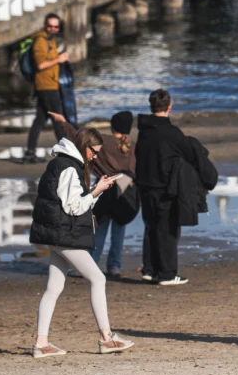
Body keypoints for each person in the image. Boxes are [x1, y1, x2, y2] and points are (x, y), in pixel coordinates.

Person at [29, 126, 134, 358]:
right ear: (84, 146)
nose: (95, 157)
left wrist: (95, 191)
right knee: (98, 278)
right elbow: (74, 207)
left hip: (55, 233)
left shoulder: (60, 163)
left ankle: (41, 343)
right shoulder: (68, 168)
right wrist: (96, 191)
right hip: (64, 234)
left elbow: (73, 203)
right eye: (94, 152)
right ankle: (106, 338)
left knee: (54, 287)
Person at [134, 88, 217, 286]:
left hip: (145, 186)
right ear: (170, 106)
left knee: (151, 228)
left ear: (151, 106)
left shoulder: (143, 131)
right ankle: (167, 274)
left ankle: (150, 270)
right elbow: (192, 154)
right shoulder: (172, 133)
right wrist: (207, 179)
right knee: (168, 230)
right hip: (164, 188)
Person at [48, 110, 137, 278]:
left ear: (113, 126)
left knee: (99, 228)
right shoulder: (132, 145)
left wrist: (63, 122)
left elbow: (78, 137)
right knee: (119, 229)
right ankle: (114, 266)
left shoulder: (104, 142)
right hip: (126, 190)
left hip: (105, 188)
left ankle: (91, 264)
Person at [26, 14, 70, 163]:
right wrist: (59, 59)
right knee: (58, 118)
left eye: (56, 27)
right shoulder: (40, 41)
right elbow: (40, 65)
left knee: (40, 119)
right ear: (45, 25)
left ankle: (29, 152)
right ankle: (66, 153)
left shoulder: (49, 40)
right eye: (50, 26)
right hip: (46, 86)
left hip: (50, 84)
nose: (53, 29)